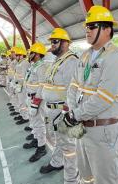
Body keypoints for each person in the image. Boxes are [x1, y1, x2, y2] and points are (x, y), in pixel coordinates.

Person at [62, 5, 118, 184]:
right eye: (86, 27)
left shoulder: (116, 58)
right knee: (86, 175)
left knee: (108, 179)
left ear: (107, 29)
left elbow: (103, 98)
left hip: (103, 131)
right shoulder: (84, 56)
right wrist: (73, 113)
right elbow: (73, 87)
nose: (87, 31)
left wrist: (75, 114)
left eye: (92, 26)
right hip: (81, 128)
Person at [39, 28, 79, 184]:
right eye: (52, 42)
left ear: (66, 43)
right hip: (53, 111)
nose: (52, 45)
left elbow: (73, 91)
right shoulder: (57, 61)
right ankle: (57, 162)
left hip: (63, 113)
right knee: (59, 140)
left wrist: (67, 114)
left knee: (70, 148)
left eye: (55, 41)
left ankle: (71, 180)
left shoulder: (72, 61)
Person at [22, 42, 50, 163]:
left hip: (36, 99)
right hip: (30, 98)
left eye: (32, 52)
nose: (30, 54)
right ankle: (36, 139)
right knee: (34, 121)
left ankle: (42, 147)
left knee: (39, 123)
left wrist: (36, 103)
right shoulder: (34, 66)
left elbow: (42, 86)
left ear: (37, 54)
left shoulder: (42, 67)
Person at [12, 47, 30, 125]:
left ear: (22, 55)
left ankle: (25, 117)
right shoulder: (20, 63)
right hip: (18, 85)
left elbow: (24, 76)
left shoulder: (25, 63)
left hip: (22, 86)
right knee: (20, 101)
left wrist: (19, 84)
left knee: (23, 102)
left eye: (17, 55)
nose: (15, 56)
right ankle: (21, 114)